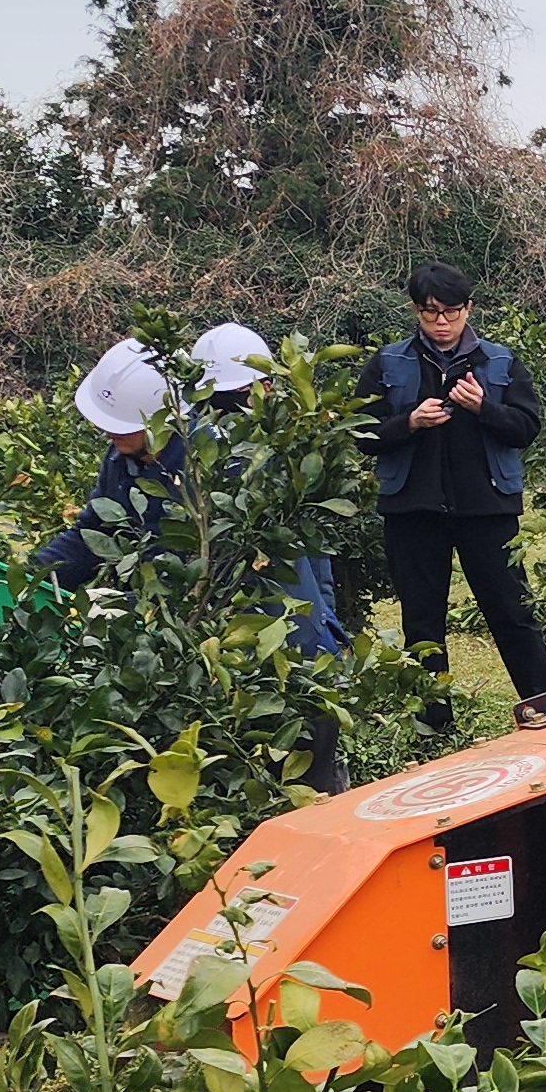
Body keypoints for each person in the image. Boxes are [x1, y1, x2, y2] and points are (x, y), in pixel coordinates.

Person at [373, 260, 546, 736]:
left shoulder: (499, 362)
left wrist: (483, 408)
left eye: (451, 312)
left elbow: (527, 428)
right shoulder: (388, 362)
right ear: (416, 311)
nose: (441, 323)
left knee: (513, 614)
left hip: (488, 508)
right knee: (422, 623)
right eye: (429, 313)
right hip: (412, 512)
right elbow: (362, 434)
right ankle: (433, 728)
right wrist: (409, 423)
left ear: (468, 309)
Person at [192, 320, 352, 796]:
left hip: (286, 639)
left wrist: (326, 626)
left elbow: (314, 552)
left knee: (304, 770)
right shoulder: (203, 455)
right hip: (243, 644)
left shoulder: (285, 454)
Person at [31, 338, 185, 586]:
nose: (108, 433)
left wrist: (124, 609)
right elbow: (95, 534)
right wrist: (35, 574)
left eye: (122, 427)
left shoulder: (204, 473)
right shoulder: (122, 456)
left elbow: (196, 574)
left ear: (166, 421)